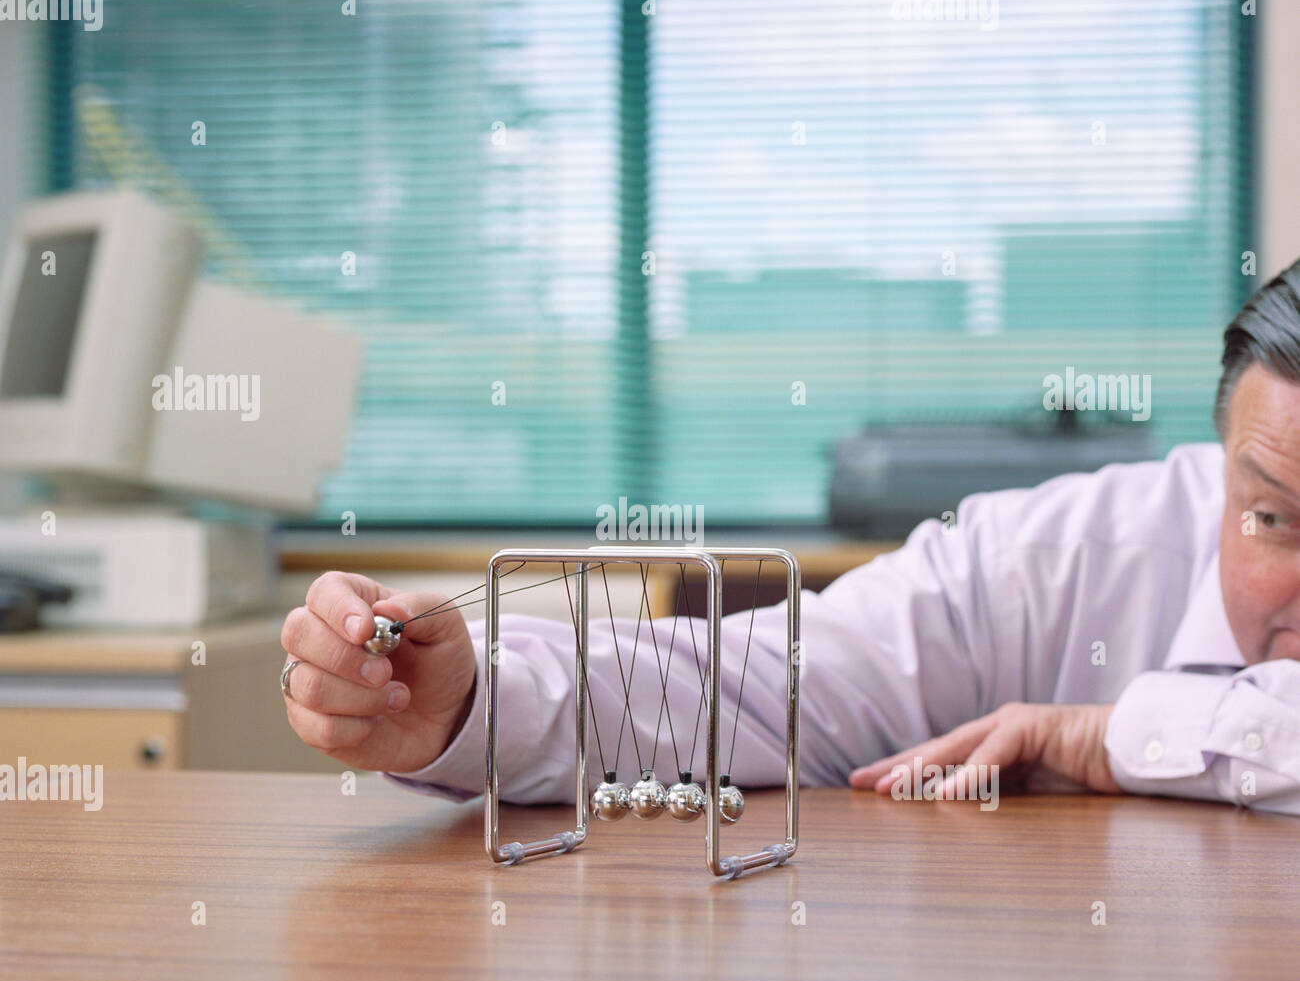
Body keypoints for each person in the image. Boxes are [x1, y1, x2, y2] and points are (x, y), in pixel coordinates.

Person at [280, 262, 1300, 817]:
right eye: (1272, 518)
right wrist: (466, 704)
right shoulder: (1063, 553)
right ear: (1218, 464)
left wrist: (1104, 735)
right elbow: (758, 687)